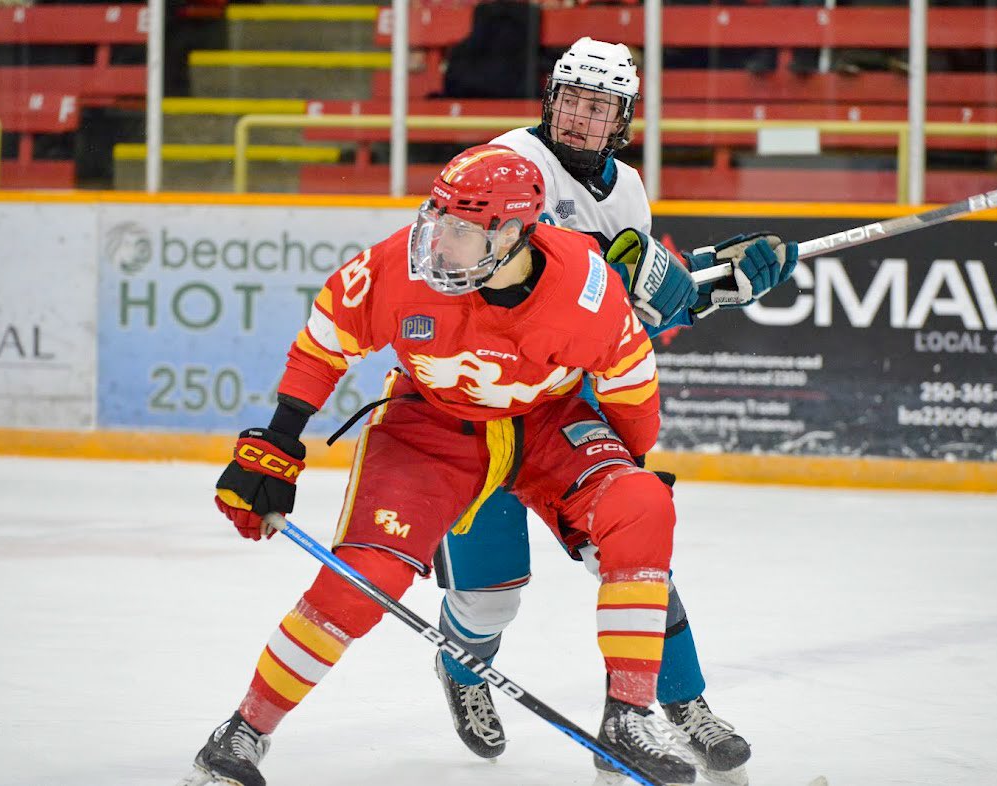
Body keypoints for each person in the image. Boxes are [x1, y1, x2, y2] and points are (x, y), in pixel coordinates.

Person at [184, 144, 711, 786]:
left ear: (514, 234)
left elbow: (633, 385)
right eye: (438, 220)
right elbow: (326, 338)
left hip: (547, 426)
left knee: (642, 503)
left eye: (461, 230)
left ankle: (627, 719)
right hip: (429, 429)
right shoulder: (398, 269)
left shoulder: (586, 289)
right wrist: (280, 440)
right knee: (359, 579)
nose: (438, 242)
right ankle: (243, 733)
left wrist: (623, 476)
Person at [430, 37, 798, 784]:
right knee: (488, 594)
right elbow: (471, 277)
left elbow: (621, 315)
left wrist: (710, 286)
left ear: (622, 118)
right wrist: (646, 277)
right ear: (549, 99)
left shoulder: (625, 189)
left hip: (564, 413)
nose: (578, 116)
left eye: (597, 106)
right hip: (475, 406)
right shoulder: (504, 165)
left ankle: (681, 705)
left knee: (635, 556)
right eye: (569, 98)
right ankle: (463, 672)